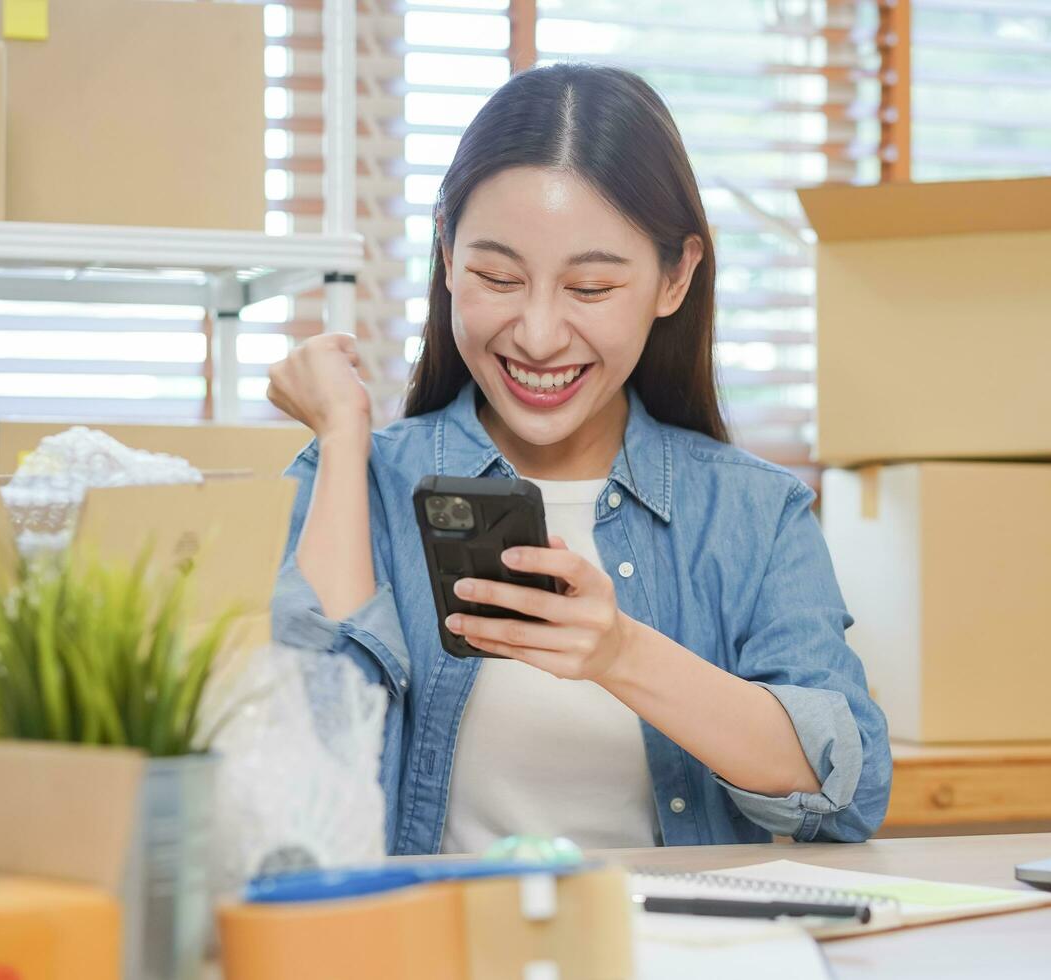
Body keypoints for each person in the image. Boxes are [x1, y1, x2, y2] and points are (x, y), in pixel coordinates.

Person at [267, 62, 891, 856]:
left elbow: (852, 791)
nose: (536, 334)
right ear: (447, 254)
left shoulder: (752, 513)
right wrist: (346, 440)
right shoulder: (356, 483)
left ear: (675, 277)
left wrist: (621, 653)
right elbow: (308, 782)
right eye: (498, 276)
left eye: (590, 288)